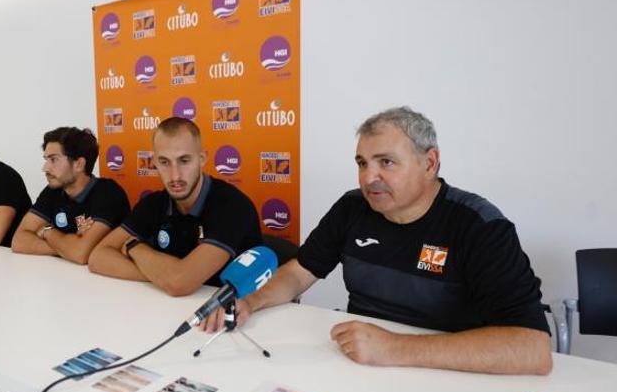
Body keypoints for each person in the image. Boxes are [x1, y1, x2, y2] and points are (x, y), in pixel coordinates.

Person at [202, 107, 552, 375]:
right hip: (359, 365)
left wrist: (397, 349)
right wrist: (253, 301)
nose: (369, 178)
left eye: (386, 162)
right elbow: (299, 272)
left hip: (448, 376)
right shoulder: (352, 207)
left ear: (429, 163)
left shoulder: (480, 225)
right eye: (362, 163)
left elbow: (533, 349)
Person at [88, 117, 262, 296]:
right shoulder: (154, 203)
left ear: (201, 159)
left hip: (233, 315)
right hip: (168, 310)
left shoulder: (231, 205)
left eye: (184, 161)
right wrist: (162, 276)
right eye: (164, 162)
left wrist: (135, 247)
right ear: (155, 162)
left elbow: (179, 283)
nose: (175, 175)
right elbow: (97, 258)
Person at [11, 127, 130, 264]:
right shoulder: (53, 190)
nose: (45, 168)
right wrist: (68, 246)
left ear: (79, 164)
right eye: (46, 160)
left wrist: (46, 231)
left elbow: (79, 254)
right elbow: (18, 241)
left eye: (53, 160)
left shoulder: (108, 193)